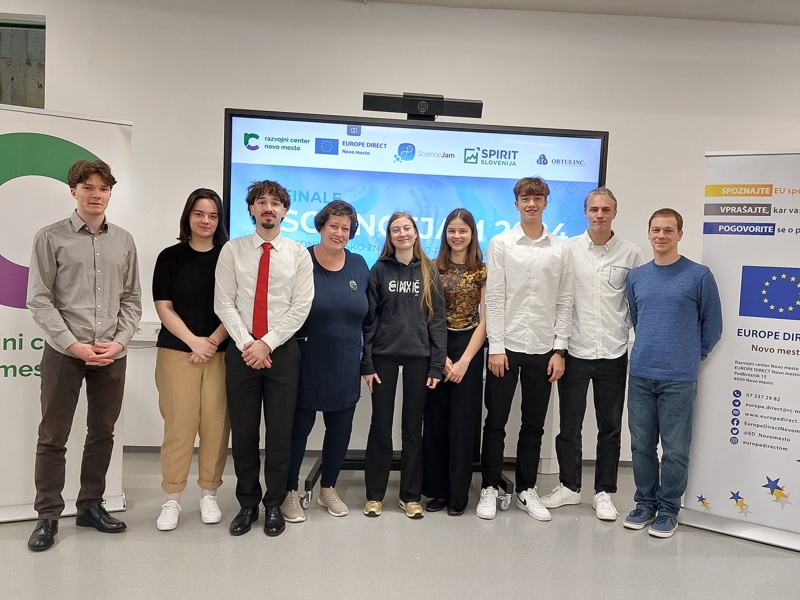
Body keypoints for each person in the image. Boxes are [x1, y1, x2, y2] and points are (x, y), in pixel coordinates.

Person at [26, 159, 142, 552]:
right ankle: (47, 515)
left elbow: (132, 299)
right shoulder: (50, 237)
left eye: (103, 188)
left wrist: (120, 342)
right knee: (52, 436)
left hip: (111, 352)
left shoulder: (124, 240)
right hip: (65, 352)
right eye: (88, 187)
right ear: (73, 190)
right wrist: (72, 343)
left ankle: (90, 505)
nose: (96, 195)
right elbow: (39, 299)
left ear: (110, 193)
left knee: (102, 432)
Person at [214, 180, 313, 537]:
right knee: (243, 433)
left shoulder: (299, 254)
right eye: (261, 202)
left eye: (275, 202)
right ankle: (247, 505)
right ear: (251, 209)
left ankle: (274, 504)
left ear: (285, 211)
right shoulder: (233, 250)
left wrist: (267, 344)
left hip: (282, 352)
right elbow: (224, 302)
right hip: (242, 351)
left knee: (280, 434)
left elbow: (300, 307)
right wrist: (248, 344)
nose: (268, 208)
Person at [540, 188, 643, 521]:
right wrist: (558, 347)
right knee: (569, 425)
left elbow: (637, 303)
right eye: (594, 209)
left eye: (606, 209)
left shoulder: (632, 254)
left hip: (613, 351)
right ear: (585, 212)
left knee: (609, 427)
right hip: (575, 351)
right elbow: (560, 300)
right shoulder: (567, 249)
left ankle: (604, 492)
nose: (600, 214)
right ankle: (570, 488)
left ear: (615, 213)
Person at [477, 176, 573, 522]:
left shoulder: (561, 249)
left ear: (546, 202)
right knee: (496, 422)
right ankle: (490, 486)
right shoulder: (501, 243)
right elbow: (494, 298)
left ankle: (526, 489)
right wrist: (496, 346)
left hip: (543, 349)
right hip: (506, 347)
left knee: (534, 425)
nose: (531, 204)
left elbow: (565, 300)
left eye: (537, 198)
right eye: (525, 198)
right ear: (516, 203)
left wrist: (560, 349)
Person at [623, 208, 722, 538]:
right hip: (641, 373)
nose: (661, 235)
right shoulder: (637, 277)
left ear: (680, 234)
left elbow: (713, 325)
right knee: (641, 446)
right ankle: (644, 503)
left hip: (678, 377)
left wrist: (693, 357)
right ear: (649, 233)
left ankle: (668, 509)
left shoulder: (699, 276)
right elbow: (638, 319)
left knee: (675, 449)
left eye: (668, 230)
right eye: (656, 230)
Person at [281, 201, 369, 523]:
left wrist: (367, 362)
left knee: (340, 430)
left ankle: (327, 488)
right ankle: (290, 491)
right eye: (333, 225)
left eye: (345, 228)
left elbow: (368, 318)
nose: (339, 233)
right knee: (298, 431)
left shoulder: (359, 264)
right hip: (305, 362)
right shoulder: (300, 260)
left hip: (345, 363)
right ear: (321, 226)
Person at [152, 188, 230, 531]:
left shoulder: (229, 257)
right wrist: (193, 341)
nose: (205, 221)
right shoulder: (170, 257)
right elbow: (163, 306)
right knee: (179, 426)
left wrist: (211, 342)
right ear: (188, 216)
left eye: (213, 215)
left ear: (219, 220)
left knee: (216, 427)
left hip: (220, 353)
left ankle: (209, 493)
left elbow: (238, 307)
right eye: (199, 213)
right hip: (177, 352)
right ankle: (172, 498)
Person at [361, 211, 446, 519]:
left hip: (419, 358)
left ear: (416, 233)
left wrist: (436, 365)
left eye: (406, 228)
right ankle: (375, 495)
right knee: (380, 425)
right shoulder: (379, 269)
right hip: (383, 356)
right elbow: (369, 320)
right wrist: (367, 363)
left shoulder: (429, 270)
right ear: (390, 236)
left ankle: (410, 496)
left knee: (412, 428)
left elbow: (437, 320)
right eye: (395, 229)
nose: (402, 233)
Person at [422, 208, 486, 516]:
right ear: (445, 234)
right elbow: (426, 314)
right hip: (437, 346)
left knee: (462, 423)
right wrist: (442, 357)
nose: (457, 236)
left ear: (472, 234)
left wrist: (463, 362)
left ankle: (459, 494)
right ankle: (437, 491)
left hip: (470, 348)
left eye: (463, 231)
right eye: (452, 230)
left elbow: (486, 320)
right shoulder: (432, 268)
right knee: (435, 421)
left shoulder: (483, 271)